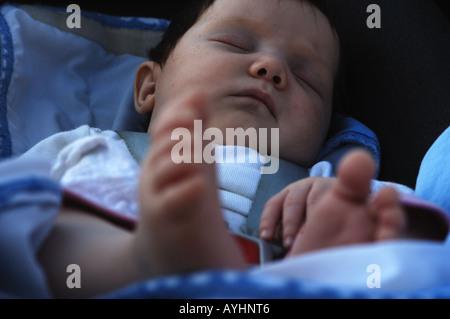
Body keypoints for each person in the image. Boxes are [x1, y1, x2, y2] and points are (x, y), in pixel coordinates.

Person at [18, 0, 447, 299]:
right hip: (105, 269)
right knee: (40, 221)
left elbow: (425, 238)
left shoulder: (326, 188)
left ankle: (316, 268)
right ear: (149, 86)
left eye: (307, 80)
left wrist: (359, 224)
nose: (271, 68)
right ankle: (138, 256)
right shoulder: (86, 147)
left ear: (324, 132)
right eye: (235, 45)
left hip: (267, 288)